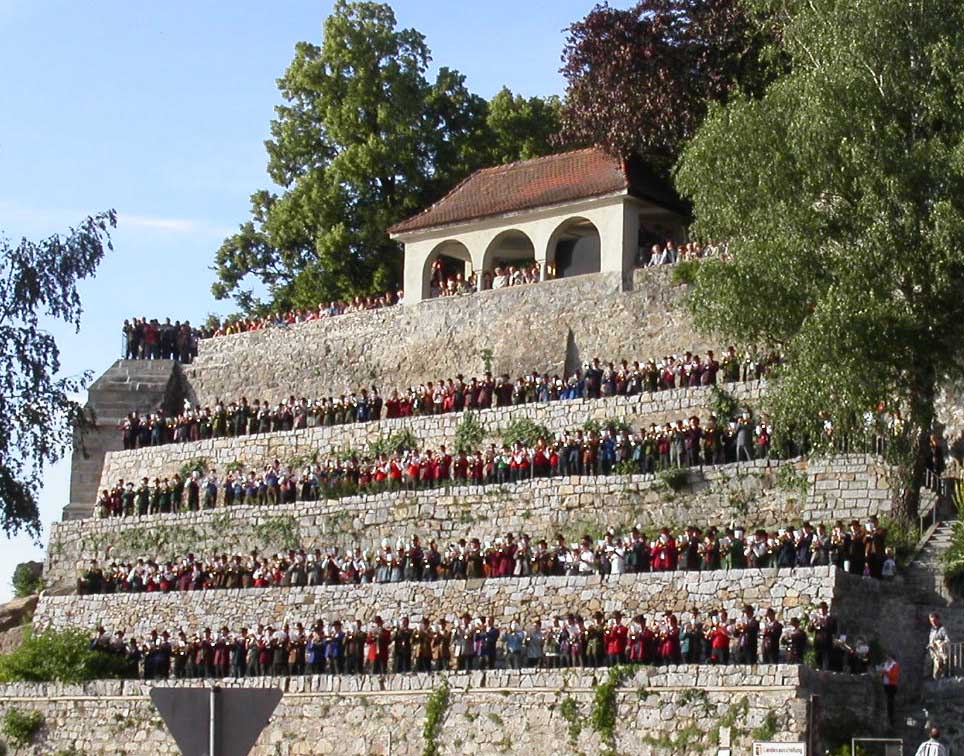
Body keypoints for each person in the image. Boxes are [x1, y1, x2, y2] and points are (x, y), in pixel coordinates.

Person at [927, 613, 950, 680]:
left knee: (938, 673)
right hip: (931, 653)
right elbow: (930, 641)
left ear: (938, 620)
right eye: (931, 621)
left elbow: (948, 640)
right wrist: (930, 644)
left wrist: (939, 644)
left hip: (939, 655)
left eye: (934, 620)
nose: (933, 622)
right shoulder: (932, 630)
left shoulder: (942, 629)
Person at [880, 653, 900, 727]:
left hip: (892, 685)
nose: (887, 659)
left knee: (890, 701)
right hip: (885, 685)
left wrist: (885, 672)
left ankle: (891, 718)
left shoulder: (895, 665)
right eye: (887, 657)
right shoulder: (885, 664)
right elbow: (882, 673)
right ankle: (886, 716)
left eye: (889, 657)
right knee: (886, 701)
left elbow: (894, 676)